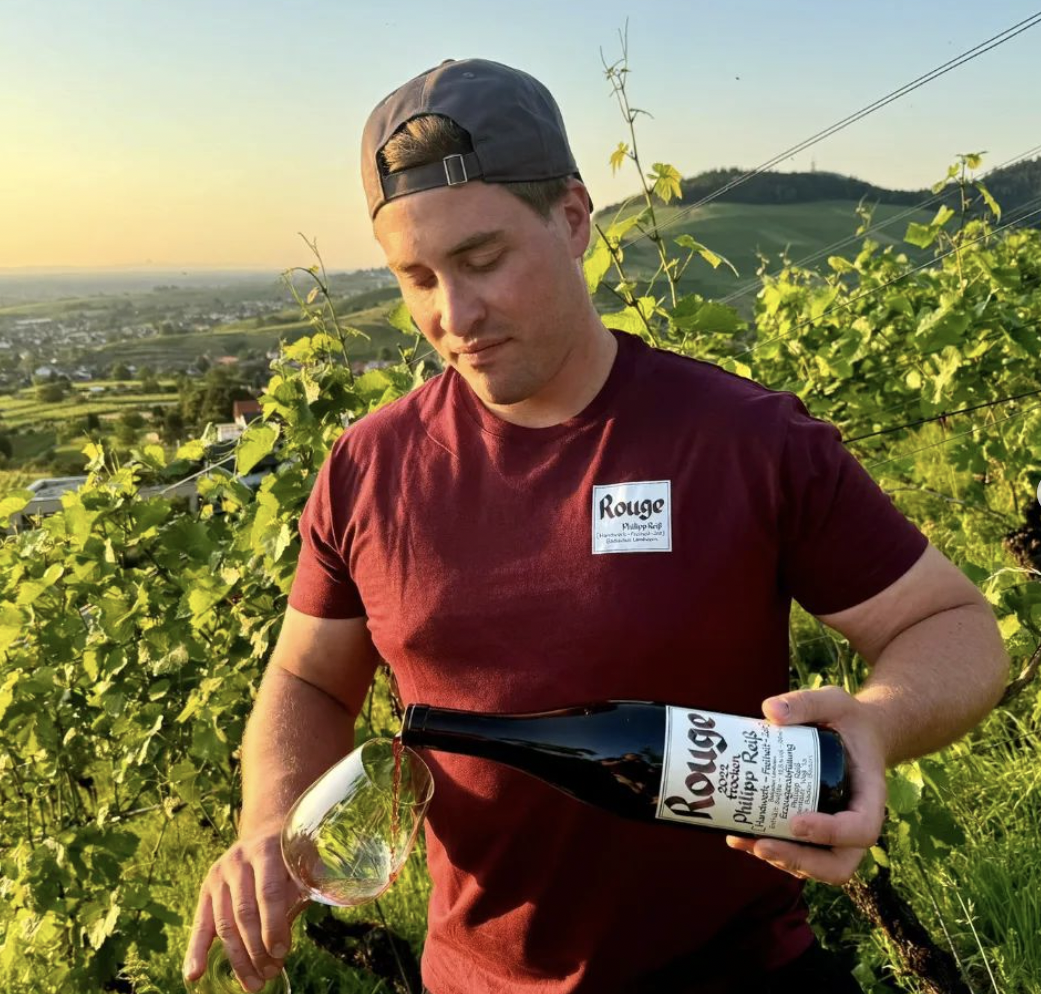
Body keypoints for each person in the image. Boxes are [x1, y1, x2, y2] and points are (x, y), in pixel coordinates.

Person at [183, 58, 1009, 994]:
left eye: (484, 259)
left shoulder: (744, 438)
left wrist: (872, 726)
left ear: (573, 220)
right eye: (415, 277)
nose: (453, 316)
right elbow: (307, 676)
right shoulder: (369, 467)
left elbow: (954, 628)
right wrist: (268, 821)